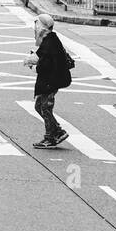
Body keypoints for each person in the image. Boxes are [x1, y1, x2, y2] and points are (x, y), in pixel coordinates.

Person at [26, 14, 71, 149]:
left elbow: (44, 65)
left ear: (41, 27)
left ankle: (52, 136)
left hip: (51, 81)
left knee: (44, 107)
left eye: (36, 25)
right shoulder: (50, 40)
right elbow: (43, 56)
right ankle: (56, 131)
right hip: (51, 80)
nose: (35, 28)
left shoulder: (49, 43)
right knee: (40, 106)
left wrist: (33, 65)